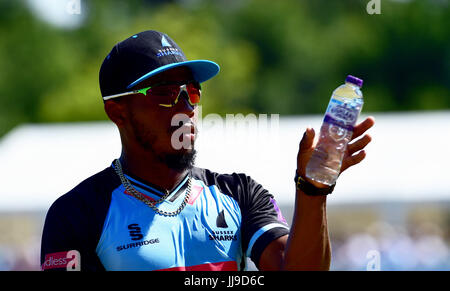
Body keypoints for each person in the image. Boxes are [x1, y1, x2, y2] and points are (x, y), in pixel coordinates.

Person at [40, 30, 374, 271]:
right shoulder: (76, 213)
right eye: (166, 93)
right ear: (118, 112)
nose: (186, 106)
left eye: (193, 92)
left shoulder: (240, 193)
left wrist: (313, 190)